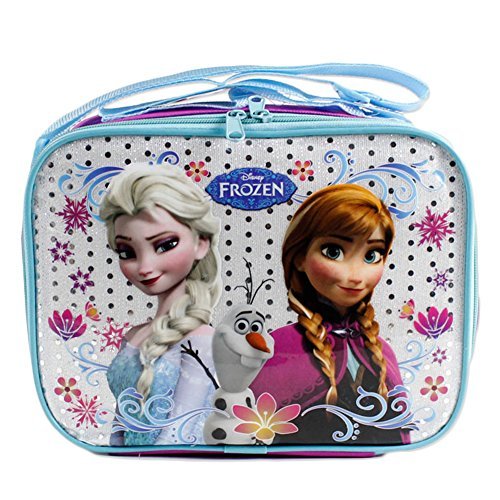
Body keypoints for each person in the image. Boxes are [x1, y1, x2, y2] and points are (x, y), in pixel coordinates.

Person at [250, 184, 410, 445]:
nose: (356, 275)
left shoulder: (382, 351)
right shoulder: (281, 347)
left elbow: (399, 432)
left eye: (372, 255)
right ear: (300, 257)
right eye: (334, 252)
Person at [100, 165, 222, 446]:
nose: (145, 267)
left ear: (201, 243)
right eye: (127, 252)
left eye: (165, 245)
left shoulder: (202, 340)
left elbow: (181, 431)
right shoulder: (133, 336)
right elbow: (121, 421)